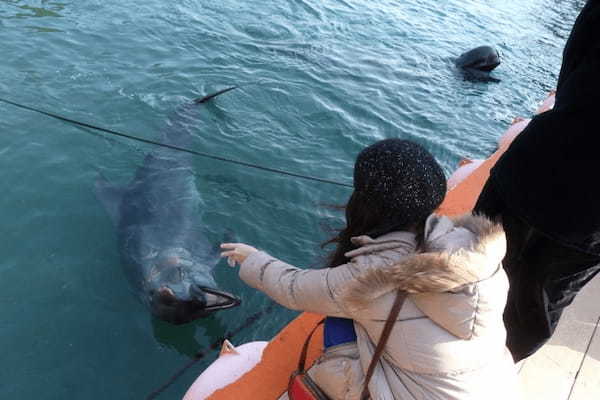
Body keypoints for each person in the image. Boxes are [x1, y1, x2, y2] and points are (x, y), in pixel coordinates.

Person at [221, 139, 518, 400]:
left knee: (338, 316)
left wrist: (252, 258)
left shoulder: (374, 276)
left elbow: (293, 288)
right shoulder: (471, 249)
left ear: (368, 202)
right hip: (496, 386)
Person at [473, 0, 600, 362]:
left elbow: (573, 69)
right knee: (533, 312)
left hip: (540, 161)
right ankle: (481, 378)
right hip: (588, 223)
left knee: (466, 270)